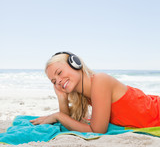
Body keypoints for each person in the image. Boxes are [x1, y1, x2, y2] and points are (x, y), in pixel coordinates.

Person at [30, 52, 160, 134]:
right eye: (53, 81)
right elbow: (70, 122)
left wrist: (58, 116)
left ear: (75, 64)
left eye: (59, 73)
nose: (58, 81)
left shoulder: (100, 81)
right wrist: (62, 97)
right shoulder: (84, 96)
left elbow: (97, 131)